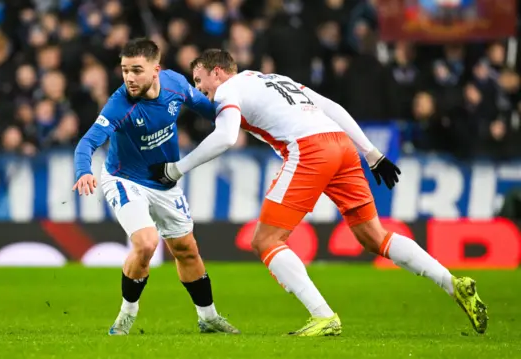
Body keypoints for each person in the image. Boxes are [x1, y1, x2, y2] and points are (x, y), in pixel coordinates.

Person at [149, 49, 488, 336]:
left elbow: (225, 138)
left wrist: (176, 169)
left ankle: (323, 316)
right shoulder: (272, 78)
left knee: (265, 241)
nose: (199, 90)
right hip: (340, 144)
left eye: (199, 81)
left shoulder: (227, 91)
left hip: (309, 150)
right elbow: (333, 108)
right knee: (375, 236)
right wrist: (371, 154)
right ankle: (452, 282)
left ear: (217, 73)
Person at [72, 40, 240, 336]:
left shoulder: (175, 83)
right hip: (124, 179)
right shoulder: (119, 104)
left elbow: (208, 109)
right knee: (147, 243)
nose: (129, 78)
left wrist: (241, 121)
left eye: (137, 70)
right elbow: (87, 142)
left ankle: (209, 318)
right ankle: (127, 313)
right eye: (125, 70)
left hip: (164, 181)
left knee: (187, 250)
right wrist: (84, 171)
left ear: (156, 70)